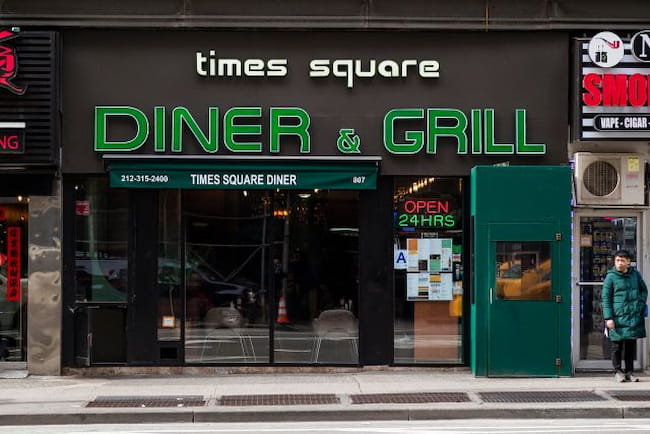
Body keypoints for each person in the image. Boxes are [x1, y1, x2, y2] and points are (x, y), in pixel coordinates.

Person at [602, 250, 648, 382]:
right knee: (617, 346)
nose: (620, 263)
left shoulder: (635, 275)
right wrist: (608, 318)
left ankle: (629, 372)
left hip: (633, 316)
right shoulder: (610, 277)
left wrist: (639, 305)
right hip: (617, 317)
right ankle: (617, 371)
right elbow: (606, 298)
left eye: (622, 260)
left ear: (628, 262)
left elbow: (643, 290)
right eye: (617, 260)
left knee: (630, 345)